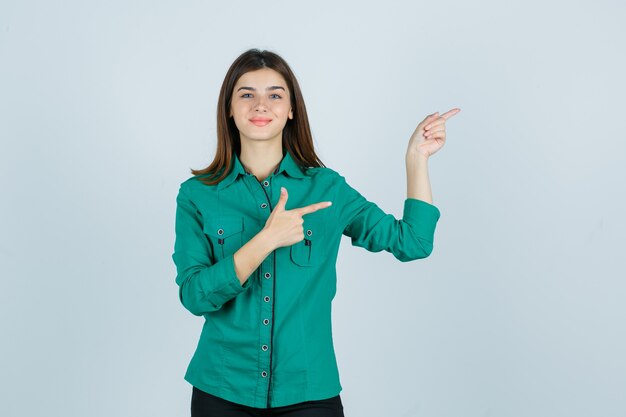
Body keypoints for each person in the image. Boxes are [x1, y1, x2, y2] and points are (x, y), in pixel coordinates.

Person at [171, 48, 460, 417]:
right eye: (247, 94)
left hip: (309, 393)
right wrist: (265, 240)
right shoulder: (197, 194)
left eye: (275, 94)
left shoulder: (328, 189)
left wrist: (416, 159)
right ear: (229, 108)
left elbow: (413, 242)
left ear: (292, 109)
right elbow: (194, 296)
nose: (261, 105)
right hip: (222, 391)